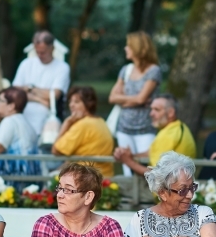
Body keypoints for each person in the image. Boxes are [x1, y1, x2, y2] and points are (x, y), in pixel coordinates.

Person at [108, 31, 161, 176]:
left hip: (145, 128)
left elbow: (141, 99)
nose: (125, 48)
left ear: (138, 48)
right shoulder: (126, 70)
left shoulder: (153, 70)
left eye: (129, 46)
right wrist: (135, 100)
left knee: (148, 168)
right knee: (127, 169)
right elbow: (112, 97)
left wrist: (125, 100)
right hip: (124, 128)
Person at [113, 94, 196, 177]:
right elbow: (152, 152)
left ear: (171, 112)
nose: (151, 114)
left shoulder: (168, 135)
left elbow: (156, 174)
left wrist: (127, 161)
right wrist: (132, 156)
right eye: (151, 109)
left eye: (157, 110)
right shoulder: (179, 127)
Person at [12, 31, 71, 135]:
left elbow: (54, 95)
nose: (39, 55)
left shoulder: (62, 67)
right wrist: (40, 99)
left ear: (52, 48)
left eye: (43, 52)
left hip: (48, 118)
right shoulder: (26, 64)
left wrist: (29, 89)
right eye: (37, 51)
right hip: (22, 112)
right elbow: (14, 91)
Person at [51, 86, 115, 178]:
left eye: (76, 102)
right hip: (103, 177)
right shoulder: (100, 121)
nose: (71, 105)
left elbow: (56, 150)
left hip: (85, 178)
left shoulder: (82, 125)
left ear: (89, 104)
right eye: (70, 101)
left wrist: (66, 123)